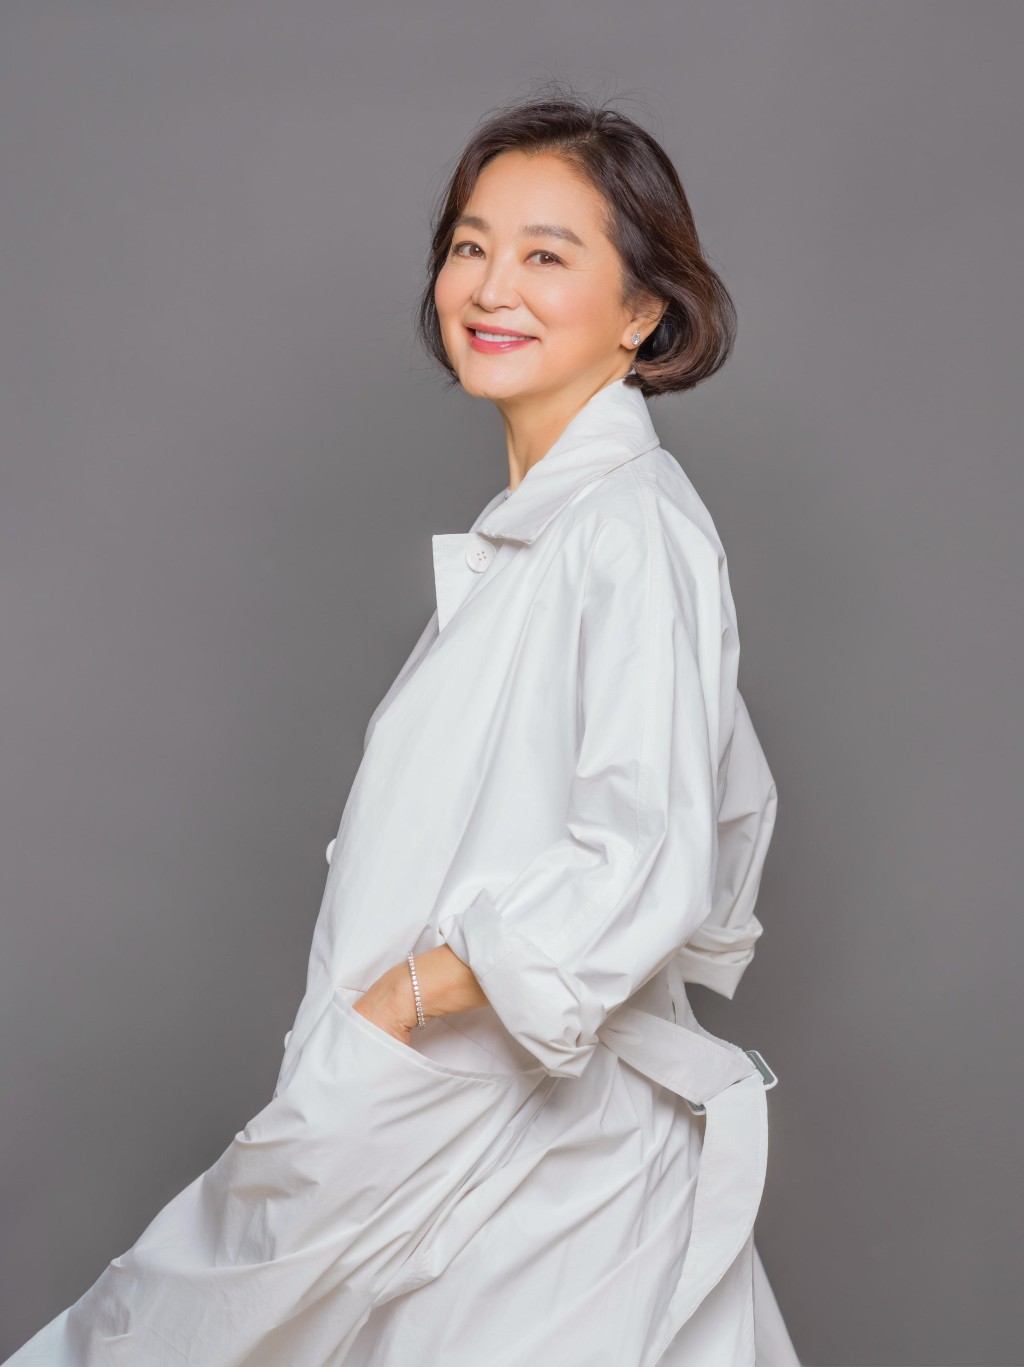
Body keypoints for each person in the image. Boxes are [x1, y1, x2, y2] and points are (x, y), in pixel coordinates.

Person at [5, 90, 800, 1366]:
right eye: (470, 245)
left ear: (643, 312)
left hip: (538, 1166)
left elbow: (647, 853)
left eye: (547, 255)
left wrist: (409, 995)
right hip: (469, 1130)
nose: (491, 286)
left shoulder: (629, 530)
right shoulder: (554, 530)